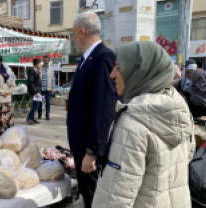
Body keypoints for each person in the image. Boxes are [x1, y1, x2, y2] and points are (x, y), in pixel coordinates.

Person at [92, 41, 194, 208]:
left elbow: (114, 198)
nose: (112, 74)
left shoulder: (132, 123)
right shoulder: (180, 112)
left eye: (118, 67)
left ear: (139, 73)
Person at [67, 12, 118, 208]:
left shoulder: (104, 57)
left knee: (95, 198)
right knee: (89, 196)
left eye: (73, 33)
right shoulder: (87, 58)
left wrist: (93, 151)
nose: (73, 38)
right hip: (82, 144)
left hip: (90, 148)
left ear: (82, 31)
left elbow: (104, 107)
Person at [38, 55, 55, 120]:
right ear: (43, 60)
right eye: (45, 60)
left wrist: (53, 88)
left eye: (47, 60)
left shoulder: (51, 69)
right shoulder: (40, 68)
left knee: (48, 102)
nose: (46, 61)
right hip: (40, 88)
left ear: (49, 61)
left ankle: (47, 115)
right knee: (39, 102)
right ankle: (40, 114)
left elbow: (53, 79)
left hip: (48, 88)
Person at [27, 58, 42, 125]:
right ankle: (30, 118)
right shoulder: (31, 71)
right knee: (35, 104)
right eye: (39, 64)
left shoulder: (36, 71)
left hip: (36, 91)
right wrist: (35, 92)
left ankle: (32, 118)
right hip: (33, 91)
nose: (40, 65)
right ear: (36, 64)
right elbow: (31, 82)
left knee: (36, 104)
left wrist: (38, 91)